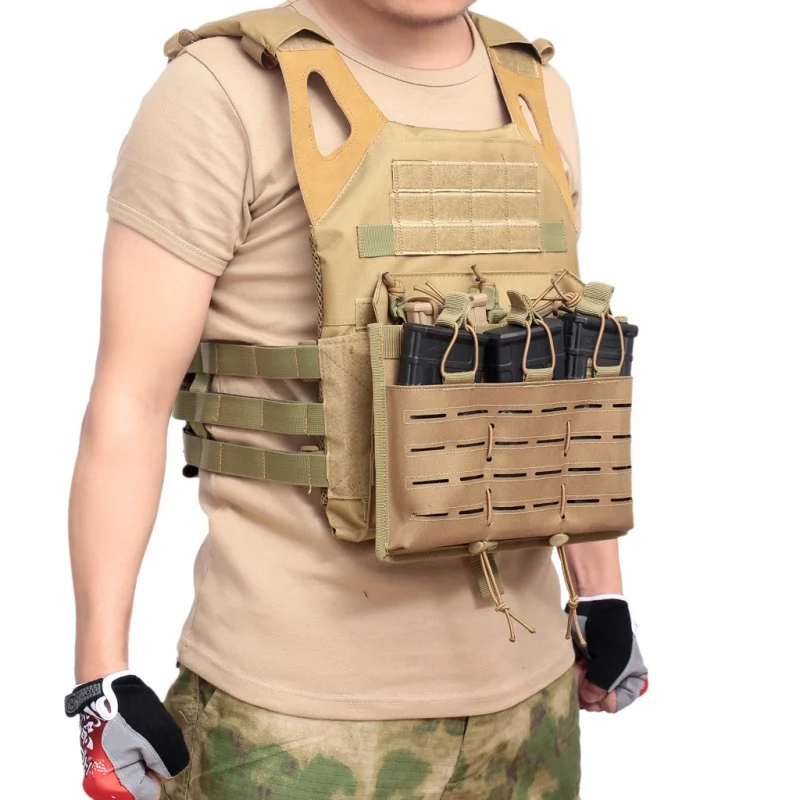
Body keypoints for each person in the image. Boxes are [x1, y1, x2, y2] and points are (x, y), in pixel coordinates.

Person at [66, 1, 648, 798]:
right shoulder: (221, 89)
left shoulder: (536, 91)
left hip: (532, 703)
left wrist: (600, 590)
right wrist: (99, 676)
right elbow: (128, 398)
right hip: (291, 726)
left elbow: (558, 371)